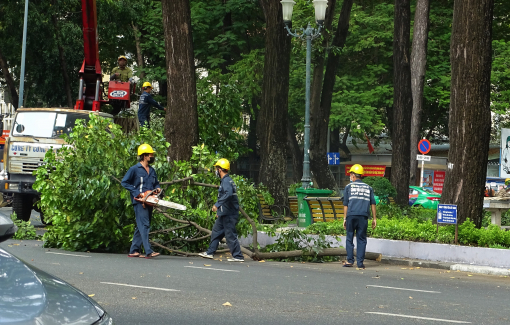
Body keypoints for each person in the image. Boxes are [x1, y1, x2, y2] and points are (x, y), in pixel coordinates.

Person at [199, 158, 244, 262]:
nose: (215, 170)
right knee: (216, 231)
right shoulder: (226, 181)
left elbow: (227, 194)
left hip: (229, 214)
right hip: (224, 213)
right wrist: (220, 212)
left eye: (216, 168)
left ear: (219, 169)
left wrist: (217, 205)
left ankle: (238, 256)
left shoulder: (227, 181)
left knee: (230, 235)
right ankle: (210, 252)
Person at [121, 144, 162, 259]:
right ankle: (148, 251)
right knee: (144, 225)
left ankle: (134, 250)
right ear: (144, 156)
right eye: (150, 155)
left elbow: (156, 183)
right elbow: (124, 182)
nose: (152, 156)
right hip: (140, 202)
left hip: (150, 201)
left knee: (141, 226)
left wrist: (157, 188)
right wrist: (136, 192)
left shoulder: (152, 170)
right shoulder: (134, 169)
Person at [342, 164, 377, 269]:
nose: (350, 176)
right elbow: (373, 203)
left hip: (351, 215)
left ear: (353, 175)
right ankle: (360, 263)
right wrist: (374, 218)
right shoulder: (368, 188)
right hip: (363, 216)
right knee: (361, 239)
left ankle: (350, 260)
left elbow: (346, 204)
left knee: (349, 237)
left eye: (351, 174)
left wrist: (344, 218)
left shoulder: (348, 187)